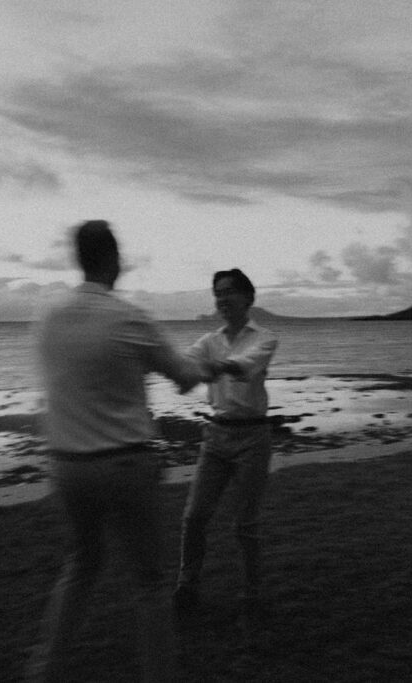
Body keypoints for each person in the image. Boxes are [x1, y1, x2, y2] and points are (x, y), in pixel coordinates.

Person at [25, 220, 204, 683]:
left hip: (67, 467)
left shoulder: (47, 319)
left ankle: (44, 673)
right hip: (125, 464)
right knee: (149, 582)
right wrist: (215, 364)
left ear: (80, 259)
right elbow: (184, 377)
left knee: (82, 564)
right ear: (114, 259)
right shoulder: (127, 317)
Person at [174, 268, 279, 615]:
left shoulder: (265, 338)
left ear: (249, 298)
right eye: (217, 293)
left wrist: (213, 369)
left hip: (253, 437)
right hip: (215, 437)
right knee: (194, 517)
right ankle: (186, 586)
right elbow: (185, 362)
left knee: (245, 524)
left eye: (229, 292)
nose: (222, 299)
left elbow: (245, 365)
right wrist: (172, 368)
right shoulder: (208, 341)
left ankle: (253, 591)